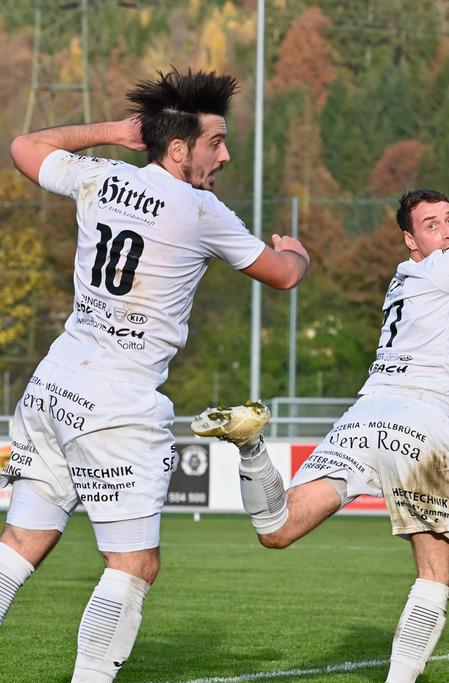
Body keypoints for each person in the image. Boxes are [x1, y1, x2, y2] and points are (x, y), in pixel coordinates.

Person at [191, 124, 449, 683]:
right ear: (411, 240)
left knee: (276, 529)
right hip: (420, 419)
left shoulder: (406, 278)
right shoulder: (445, 268)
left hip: (365, 416)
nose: (447, 232)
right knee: (436, 572)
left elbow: (443, 304)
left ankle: (252, 446)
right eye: (431, 226)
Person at [0, 68, 310, 682]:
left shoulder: (101, 176)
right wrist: (297, 249)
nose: (223, 155)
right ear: (178, 149)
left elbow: (24, 147)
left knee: (21, 543)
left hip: (53, 383)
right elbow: (283, 274)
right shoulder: (200, 209)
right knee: (132, 564)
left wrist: (112, 132)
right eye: (215, 142)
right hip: (115, 401)